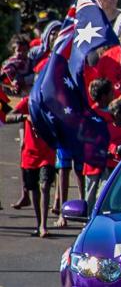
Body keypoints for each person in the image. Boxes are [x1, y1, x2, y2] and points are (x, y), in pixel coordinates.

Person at [5, 95, 56, 237]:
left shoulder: (53, 100)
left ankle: (43, 226)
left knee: (45, 186)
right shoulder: (27, 101)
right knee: (34, 190)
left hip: (47, 153)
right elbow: (8, 117)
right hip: (30, 154)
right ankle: (39, 223)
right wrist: (24, 117)